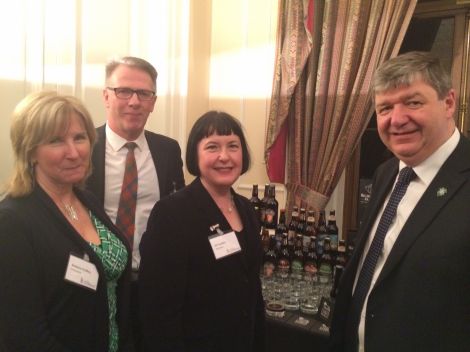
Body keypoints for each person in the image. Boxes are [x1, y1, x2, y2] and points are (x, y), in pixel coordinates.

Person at [329, 51, 470, 352]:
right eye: (385, 108)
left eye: (413, 102)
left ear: (448, 103)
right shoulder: (387, 173)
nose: (397, 119)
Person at [0, 91, 132, 351]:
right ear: (30, 151)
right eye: (56, 141)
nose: (74, 152)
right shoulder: (12, 221)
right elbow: (23, 333)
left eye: (79, 138)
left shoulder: (86, 200)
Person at [139, 111, 266, 351]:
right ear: (194, 155)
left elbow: (252, 291)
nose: (224, 156)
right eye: (212, 147)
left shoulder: (247, 210)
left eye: (233, 146)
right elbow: (158, 311)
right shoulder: (171, 213)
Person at [86, 56, 185, 350]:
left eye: (144, 93)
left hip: (153, 283)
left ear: (153, 101)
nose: (134, 101)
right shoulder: (83, 147)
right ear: (106, 96)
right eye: (123, 91)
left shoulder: (168, 150)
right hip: (97, 283)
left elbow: (176, 212)